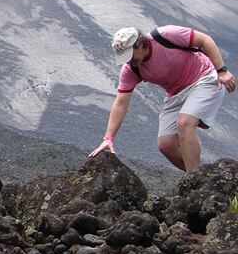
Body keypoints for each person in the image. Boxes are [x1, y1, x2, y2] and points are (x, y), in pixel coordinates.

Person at [88, 26, 235, 172]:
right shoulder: (131, 69)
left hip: (204, 78)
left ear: (139, 44)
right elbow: (120, 103)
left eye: (130, 55)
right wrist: (108, 138)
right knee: (166, 144)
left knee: (185, 123)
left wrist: (222, 71)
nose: (129, 61)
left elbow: (204, 40)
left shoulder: (165, 35)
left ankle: (194, 179)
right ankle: (202, 177)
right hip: (176, 93)